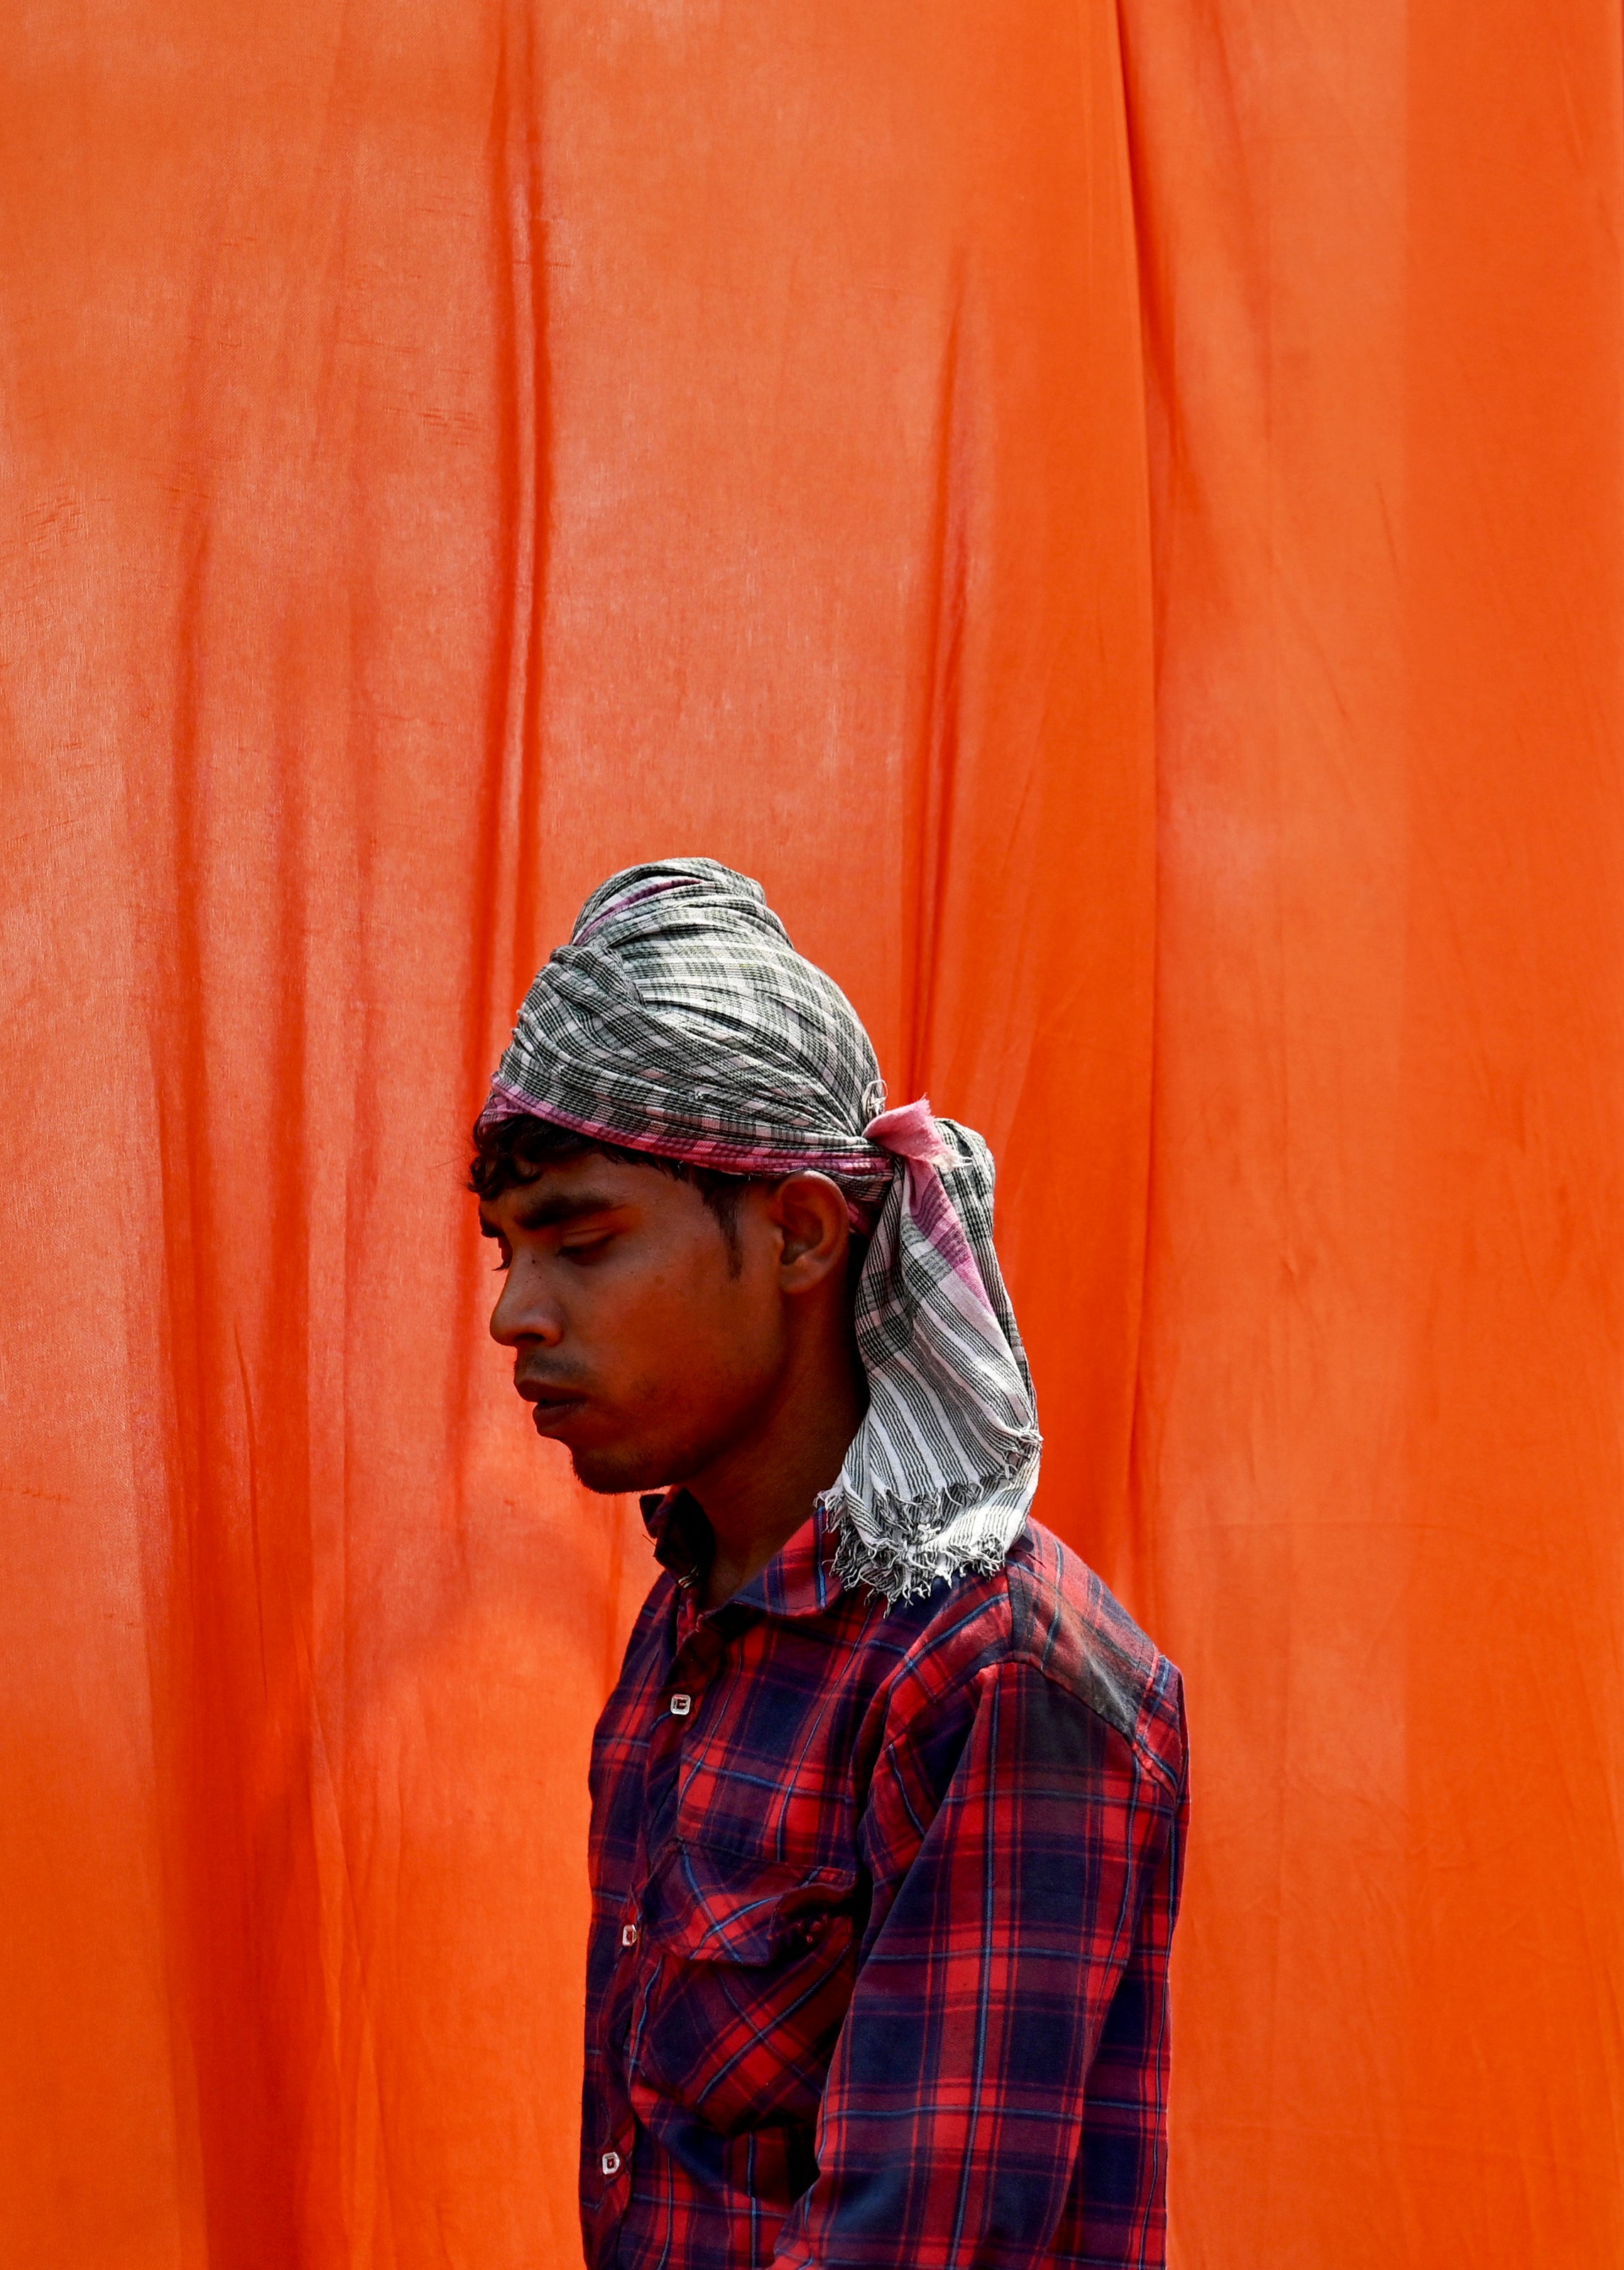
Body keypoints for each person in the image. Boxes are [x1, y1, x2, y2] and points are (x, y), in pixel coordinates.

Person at [479, 858, 1185, 2269]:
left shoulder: (997, 1668)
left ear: (800, 1232)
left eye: (583, 1241)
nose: (515, 1313)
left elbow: (919, 2241)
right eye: (506, 1250)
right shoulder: (685, 1630)